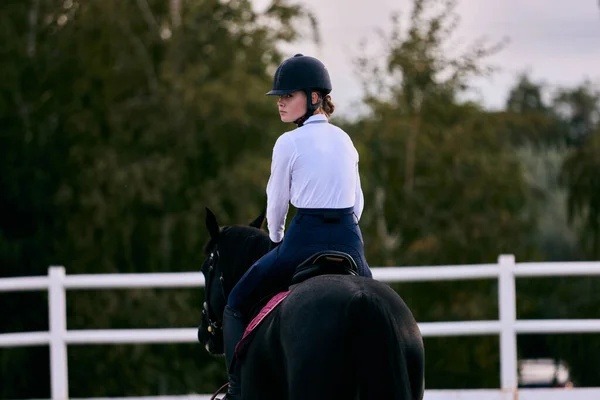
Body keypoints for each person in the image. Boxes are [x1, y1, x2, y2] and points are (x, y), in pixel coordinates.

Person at [219, 53, 372, 399]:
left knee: (235, 302)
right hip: (350, 240)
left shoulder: (287, 143)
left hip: (303, 240)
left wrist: (276, 240)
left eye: (289, 96)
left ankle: (238, 391)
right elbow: (358, 203)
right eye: (280, 98)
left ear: (315, 98)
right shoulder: (346, 140)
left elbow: (276, 203)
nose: (281, 103)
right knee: (374, 302)